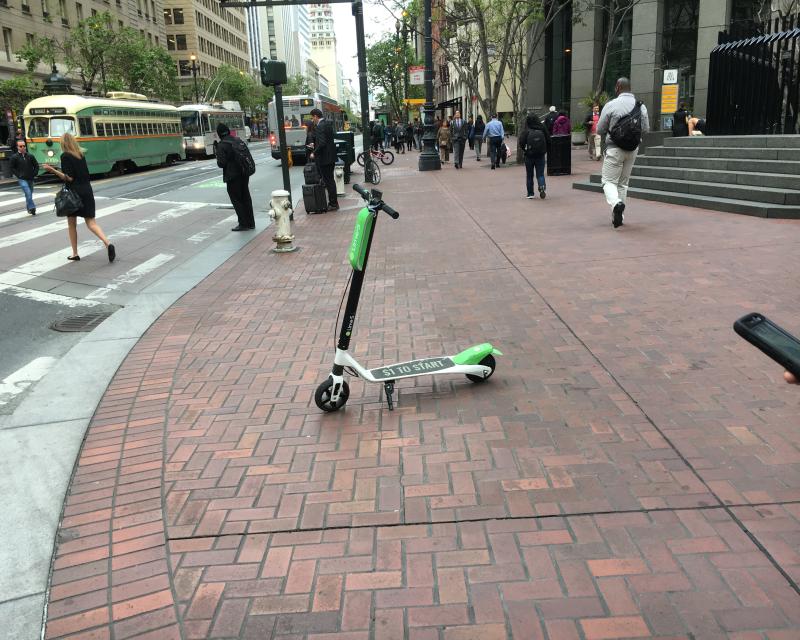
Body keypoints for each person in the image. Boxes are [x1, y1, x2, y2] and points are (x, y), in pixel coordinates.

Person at [43, 132, 114, 262]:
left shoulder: (65, 156)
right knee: (91, 223)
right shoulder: (80, 155)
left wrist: (52, 170)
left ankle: (75, 253)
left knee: (71, 224)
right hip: (87, 190)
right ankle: (108, 243)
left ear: (63, 143)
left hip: (73, 193)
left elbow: (69, 177)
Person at [597, 77, 650, 229]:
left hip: (614, 148)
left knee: (608, 181)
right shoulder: (641, 106)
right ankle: (618, 216)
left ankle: (616, 204)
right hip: (632, 150)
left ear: (618, 87)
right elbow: (646, 129)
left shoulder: (611, 105)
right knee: (623, 183)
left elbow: (600, 129)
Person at [216, 123, 255, 230]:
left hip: (232, 176)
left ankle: (243, 224)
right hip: (244, 173)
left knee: (237, 200)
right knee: (246, 197)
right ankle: (251, 223)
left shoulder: (222, 145)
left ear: (219, 134)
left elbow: (221, 164)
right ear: (228, 131)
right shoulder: (238, 140)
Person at [309, 107, 339, 211]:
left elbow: (322, 143)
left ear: (316, 116)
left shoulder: (319, 126)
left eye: (312, 118)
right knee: (330, 180)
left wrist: (314, 152)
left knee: (328, 181)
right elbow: (326, 140)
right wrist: (315, 143)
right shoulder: (327, 124)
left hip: (324, 158)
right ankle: (334, 202)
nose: (312, 120)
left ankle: (333, 204)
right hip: (331, 157)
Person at [521, 114, 550, 199]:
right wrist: (545, 150)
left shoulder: (527, 130)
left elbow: (521, 142)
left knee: (529, 175)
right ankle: (542, 186)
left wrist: (525, 150)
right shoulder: (542, 128)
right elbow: (548, 140)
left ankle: (530, 193)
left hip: (529, 155)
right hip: (540, 155)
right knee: (540, 174)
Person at [10, 138, 39, 215]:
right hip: (22, 179)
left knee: (29, 194)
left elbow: (36, 165)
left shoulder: (30, 156)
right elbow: (12, 168)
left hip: (30, 178)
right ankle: (32, 208)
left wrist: (35, 173)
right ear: (17, 147)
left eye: (24, 146)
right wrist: (18, 175)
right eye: (20, 146)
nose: (23, 147)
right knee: (28, 193)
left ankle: (29, 208)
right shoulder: (14, 157)